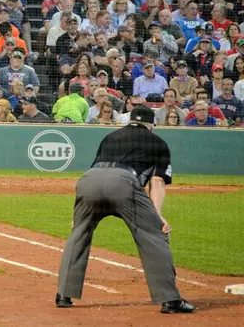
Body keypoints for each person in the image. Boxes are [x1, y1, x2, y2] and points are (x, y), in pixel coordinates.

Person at [56, 105, 196, 315]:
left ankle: (63, 295)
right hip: (123, 183)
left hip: (89, 181)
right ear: (151, 125)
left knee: (79, 233)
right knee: (154, 234)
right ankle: (170, 300)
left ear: (130, 121)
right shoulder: (158, 142)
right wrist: (157, 216)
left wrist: (77, 216)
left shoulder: (110, 137)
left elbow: (97, 169)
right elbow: (157, 182)